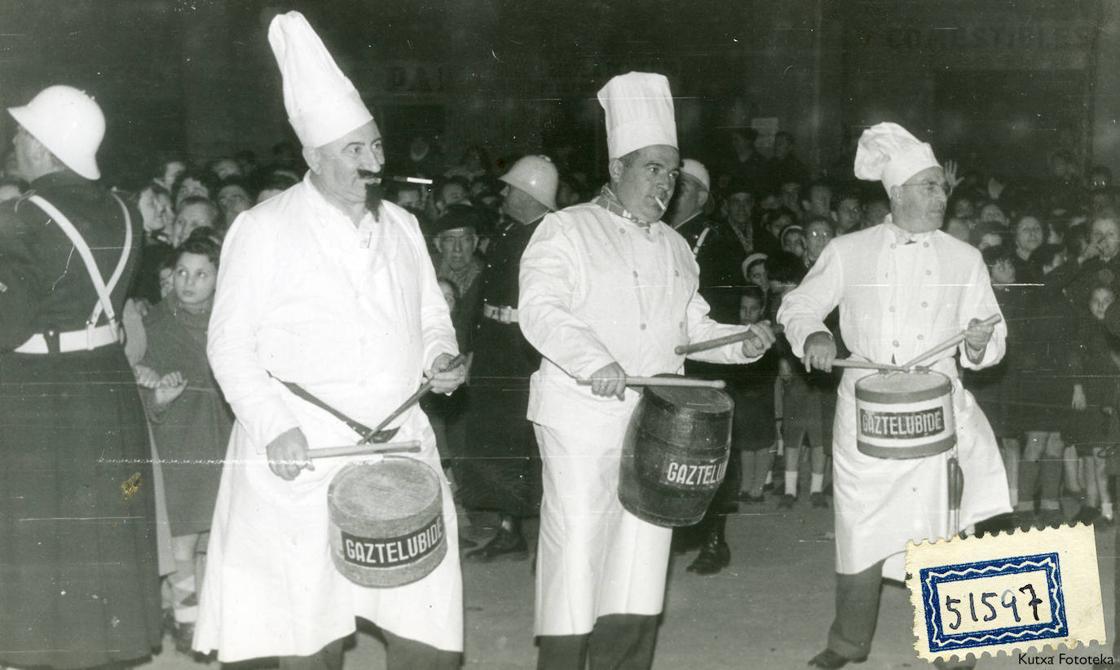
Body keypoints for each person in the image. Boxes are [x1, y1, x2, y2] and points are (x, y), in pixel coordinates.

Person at [193, 12, 465, 668]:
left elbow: (432, 312)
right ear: (313, 155)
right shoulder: (263, 229)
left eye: (376, 147)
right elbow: (228, 345)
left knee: (426, 631)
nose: (373, 163)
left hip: (401, 452)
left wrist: (438, 355)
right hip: (305, 455)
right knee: (309, 634)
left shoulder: (401, 224)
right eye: (354, 150)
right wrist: (271, 423)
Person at [518, 71, 775, 669]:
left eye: (671, 173)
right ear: (616, 170)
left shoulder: (676, 248)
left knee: (642, 554)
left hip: (658, 424)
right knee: (579, 547)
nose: (664, 184)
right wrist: (594, 361)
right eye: (651, 169)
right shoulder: (567, 229)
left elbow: (691, 332)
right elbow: (540, 309)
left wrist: (744, 343)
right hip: (580, 417)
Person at [778, 122, 1009, 670]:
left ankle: (954, 644)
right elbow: (798, 305)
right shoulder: (847, 250)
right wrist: (813, 334)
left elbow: (994, 336)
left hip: (935, 408)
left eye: (942, 188)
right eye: (929, 186)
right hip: (864, 408)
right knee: (858, 527)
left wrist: (978, 341)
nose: (941, 196)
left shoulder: (963, 258)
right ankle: (848, 642)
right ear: (897, 193)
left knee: (941, 524)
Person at [0, 85, 163, 667]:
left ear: (44, 148)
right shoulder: (124, 211)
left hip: (38, 392)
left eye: (23, 132)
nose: (16, 139)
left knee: (40, 531)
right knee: (101, 528)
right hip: (105, 383)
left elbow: (7, 321)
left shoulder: (17, 217)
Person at [135, 235, 232, 653]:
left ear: (219, 277)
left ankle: (222, 613)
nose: (189, 282)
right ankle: (186, 617)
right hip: (179, 441)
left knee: (228, 532)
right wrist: (156, 395)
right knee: (183, 537)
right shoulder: (151, 322)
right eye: (181, 272)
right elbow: (133, 380)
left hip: (227, 438)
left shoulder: (233, 319)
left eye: (201, 274)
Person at [459, 154, 558, 562]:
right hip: (496, 349)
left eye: (511, 188)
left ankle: (537, 532)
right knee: (498, 440)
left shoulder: (552, 236)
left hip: (525, 353)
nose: (504, 193)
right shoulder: (508, 232)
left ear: (531, 194)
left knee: (526, 442)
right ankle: (508, 527)